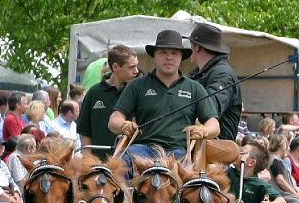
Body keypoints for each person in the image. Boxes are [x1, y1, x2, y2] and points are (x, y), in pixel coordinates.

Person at [109, 30, 219, 169]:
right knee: (119, 167)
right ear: (154, 55)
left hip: (178, 153)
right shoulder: (136, 86)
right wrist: (123, 125)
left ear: (181, 57)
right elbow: (114, 120)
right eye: (163, 53)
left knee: (189, 181)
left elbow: (214, 125)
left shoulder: (195, 88)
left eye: (174, 53)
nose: (169, 57)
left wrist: (204, 131)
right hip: (142, 150)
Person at [77, 45, 139, 157]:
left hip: (128, 163)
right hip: (98, 163)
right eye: (131, 67)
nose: (136, 71)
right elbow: (84, 130)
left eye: (136, 66)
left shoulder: (136, 92)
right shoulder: (94, 92)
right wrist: (88, 159)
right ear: (115, 67)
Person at [186, 23, 242, 141]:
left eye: (191, 44)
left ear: (197, 47)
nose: (190, 48)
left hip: (216, 145)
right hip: (197, 141)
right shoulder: (198, 73)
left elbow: (209, 108)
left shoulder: (223, 74)